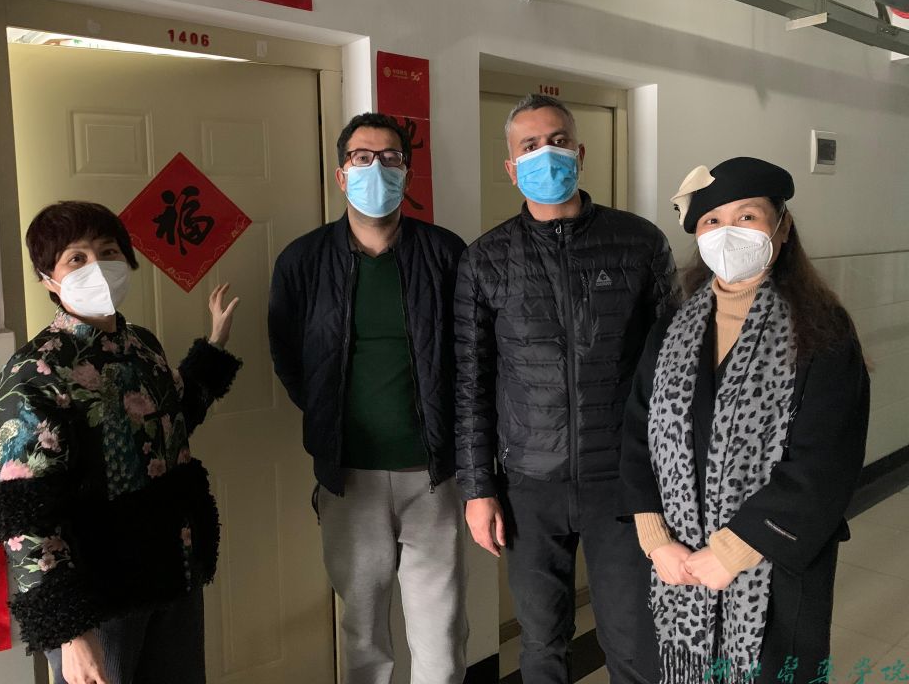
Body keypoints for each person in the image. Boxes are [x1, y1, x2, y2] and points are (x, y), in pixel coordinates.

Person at [619, 157, 870, 684]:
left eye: (747, 216)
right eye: (712, 220)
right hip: (679, 565)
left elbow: (825, 462)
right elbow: (639, 434)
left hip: (773, 565)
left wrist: (735, 550)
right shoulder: (672, 327)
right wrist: (655, 537)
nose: (727, 232)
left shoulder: (820, 331)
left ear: (782, 226)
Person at [455, 93, 672, 684]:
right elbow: (471, 383)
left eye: (556, 141)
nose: (545, 154)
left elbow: (671, 367)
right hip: (528, 484)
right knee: (542, 643)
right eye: (529, 146)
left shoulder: (639, 243)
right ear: (511, 166)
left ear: (579, 151)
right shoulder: (485, 260)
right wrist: (477, 489)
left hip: (622, 479)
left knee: (631, 638)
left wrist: (669, 474)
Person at [0, 201, 242, 684]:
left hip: (173, 566)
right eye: (76, 258)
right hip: (99, 594)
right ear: (48, 278)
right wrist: (69, 632)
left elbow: (172, 422)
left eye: (108, 252)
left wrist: (213, 347)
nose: (98, 267)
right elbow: (24, 514)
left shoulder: (141, 345)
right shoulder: (34, 371)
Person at [268, 112, 468, 684]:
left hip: (433, 475)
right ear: (341, 174)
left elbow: (472, 356)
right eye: (362, 157)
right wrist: (331, 419)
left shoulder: (445, 254)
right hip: (348, 476)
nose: (376, 168)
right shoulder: (303, 261)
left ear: (407, 173)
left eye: (390, 158)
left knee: (441, 634)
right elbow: (290, 358)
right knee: (362, 635)